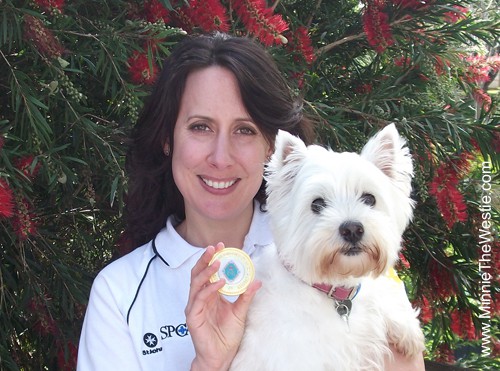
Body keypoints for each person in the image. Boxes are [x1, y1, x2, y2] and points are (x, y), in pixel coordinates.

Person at [77, 32, 425, 370]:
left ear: (271, 149)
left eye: (244, 130)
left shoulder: (358, 276)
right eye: (200, 127)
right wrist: (209, 366)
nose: (220, 157)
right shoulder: (119, 295)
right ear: (167, 138)